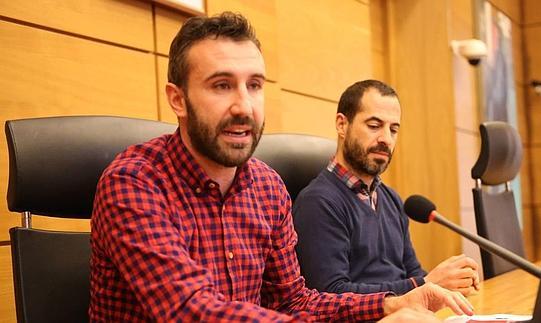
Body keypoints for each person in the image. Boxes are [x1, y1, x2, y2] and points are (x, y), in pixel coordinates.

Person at [89, 13, 473, 322]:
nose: (244, 106)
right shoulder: (134, 182)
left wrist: (394, 303)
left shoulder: (267, 186)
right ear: (178, 99)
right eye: (222, 86)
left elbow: (295, 302)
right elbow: (192, 310)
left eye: (254, 85)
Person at [293, 80, 481, 296]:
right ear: (342, 125)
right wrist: (428, 284)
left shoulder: (392, 199)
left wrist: (450, 285)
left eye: (393, 130)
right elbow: (331, 294)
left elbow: (412, 272)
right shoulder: (318, 202)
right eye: (374, 126)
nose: (386, 139)